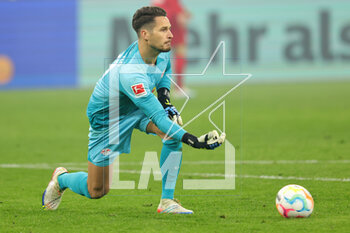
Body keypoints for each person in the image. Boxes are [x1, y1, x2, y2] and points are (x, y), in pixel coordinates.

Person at [42, 6, 225, 214]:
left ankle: (167, 202)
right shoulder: (131, 73)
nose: (171, 34)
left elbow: (166, 71)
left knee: (170, 132)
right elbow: (158, 117)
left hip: (136, 106)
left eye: (170, 28)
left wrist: (166, 100)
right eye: (164, 29)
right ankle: (61, 179)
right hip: (108, 118)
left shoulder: (161, 50)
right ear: (145, 35)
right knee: (97, 190)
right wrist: (195, 141)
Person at [151, 0, 191, 97]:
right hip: (172, 24)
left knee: (157, 57)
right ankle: (179, 88)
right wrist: (183, 15)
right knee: (180, 53)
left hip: (159, 23)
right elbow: (178, 15)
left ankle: (148, 88)